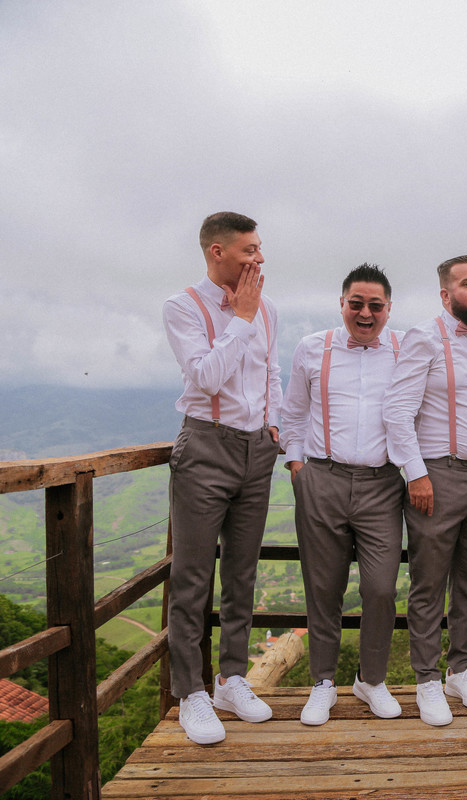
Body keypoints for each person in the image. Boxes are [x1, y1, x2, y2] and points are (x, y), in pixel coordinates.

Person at [162, 212, 280, 745]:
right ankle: (191, 692)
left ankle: (231, 679)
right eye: (249, 250)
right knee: (192, 577)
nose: (259, 258)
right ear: (217, 251)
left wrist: (273, 424)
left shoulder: (268, 309)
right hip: (205, 445)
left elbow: (271, 371)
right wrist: (243, 318)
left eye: (259, 248)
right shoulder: (183, 306)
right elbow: (206, 376)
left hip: (258, 448)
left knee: (241, 572)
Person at [385, 255, 467, 727]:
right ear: (445, 294)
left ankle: (460, 670)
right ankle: (425, 680)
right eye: (466, 283)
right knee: (429, 583)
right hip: (438, 474)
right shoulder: (424, 337)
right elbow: (398, 409)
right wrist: (416, 474)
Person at [280, 264, 406, 726]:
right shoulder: (312, 347)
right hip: (323, 479)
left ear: (388, 308)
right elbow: (293, 412)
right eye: (357, 304)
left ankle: (371, 679)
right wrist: (298, 468)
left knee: (380, 588)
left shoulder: (407, 350)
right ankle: (323, 682)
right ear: (342, 304)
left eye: (375, 305)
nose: (365, 313)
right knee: (323, 588)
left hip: (382, 484)